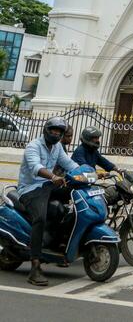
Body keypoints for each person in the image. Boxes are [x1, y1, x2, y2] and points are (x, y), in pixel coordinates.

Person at [16, 115, 80, 287]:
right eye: (53, 130)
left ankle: (61, 242)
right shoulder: (33, 146)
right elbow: (36, 167)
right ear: (46, 130)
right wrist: (53, 176)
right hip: (30, 189)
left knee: (75, 197)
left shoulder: (57, 147)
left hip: (48, 186)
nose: (56, 133)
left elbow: (70, 164)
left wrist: (89, 174)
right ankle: (35, 266)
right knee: (40, 218)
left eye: (59, 131)